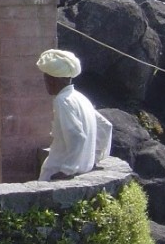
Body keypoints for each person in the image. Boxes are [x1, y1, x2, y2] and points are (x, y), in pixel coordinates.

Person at [36, 48, 113, 181]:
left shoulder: (62, 101)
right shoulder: (81, 98)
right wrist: (94, 158)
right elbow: (106, 126)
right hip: (83, 170)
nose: (46, 83)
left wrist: (66, 170)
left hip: (56, 172)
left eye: (46, 79)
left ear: (52, 80)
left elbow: (77, 136)